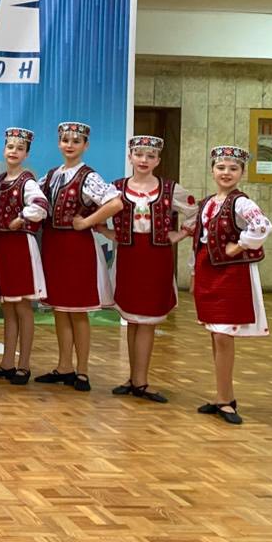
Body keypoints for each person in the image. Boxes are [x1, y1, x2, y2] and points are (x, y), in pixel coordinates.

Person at [104, 135, 197, 402]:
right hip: (129, 257)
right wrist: (107, 232)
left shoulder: (170, 189)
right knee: (132, 319)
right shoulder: (116, 188)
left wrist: (180, 234)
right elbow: (97, 209)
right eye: (139, 154)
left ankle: (141, 381)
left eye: (150, 156)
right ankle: (133, 378)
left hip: (156, 259)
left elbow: (195, 211)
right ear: (130, 157)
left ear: (158, 160)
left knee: (146, 321)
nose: (144, 160)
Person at [38, 121, 124, 392]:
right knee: (60, 309)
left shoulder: (88, 176)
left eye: (76, 141)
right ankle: (64, 366)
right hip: (53, 246)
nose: (69, 145)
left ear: (86, 145)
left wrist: (87, 222)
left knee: (77, 311)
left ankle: (83, 370)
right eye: (65, 140)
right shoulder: (52, 175)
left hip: (76, 248)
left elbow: (115, 203)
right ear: (59, 143)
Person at [193, 146, 272, 426]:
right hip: (208, 269)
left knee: (224, 335)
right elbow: (200, 236)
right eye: (221, 167)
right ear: (212, 170)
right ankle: (222, 396)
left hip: (230, 274)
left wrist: (238, 246)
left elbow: (262, 226)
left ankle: (226, 399)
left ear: (242, 173)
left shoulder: (241, 203)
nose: (226, 173)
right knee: (216, 334)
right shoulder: (208, 202)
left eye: (233, 169)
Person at [0, 128, 49, 385]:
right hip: (1, 245)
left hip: (19, 245)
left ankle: (24, 365)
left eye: (19, 148)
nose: (13, 151)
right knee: (8, 306)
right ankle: (7, 362)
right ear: (4, 150)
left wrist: (21, 218)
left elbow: (41, 205)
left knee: (22, 306)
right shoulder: (1, 180)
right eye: (10, 147)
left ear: (26, 154)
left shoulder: (27, 181)